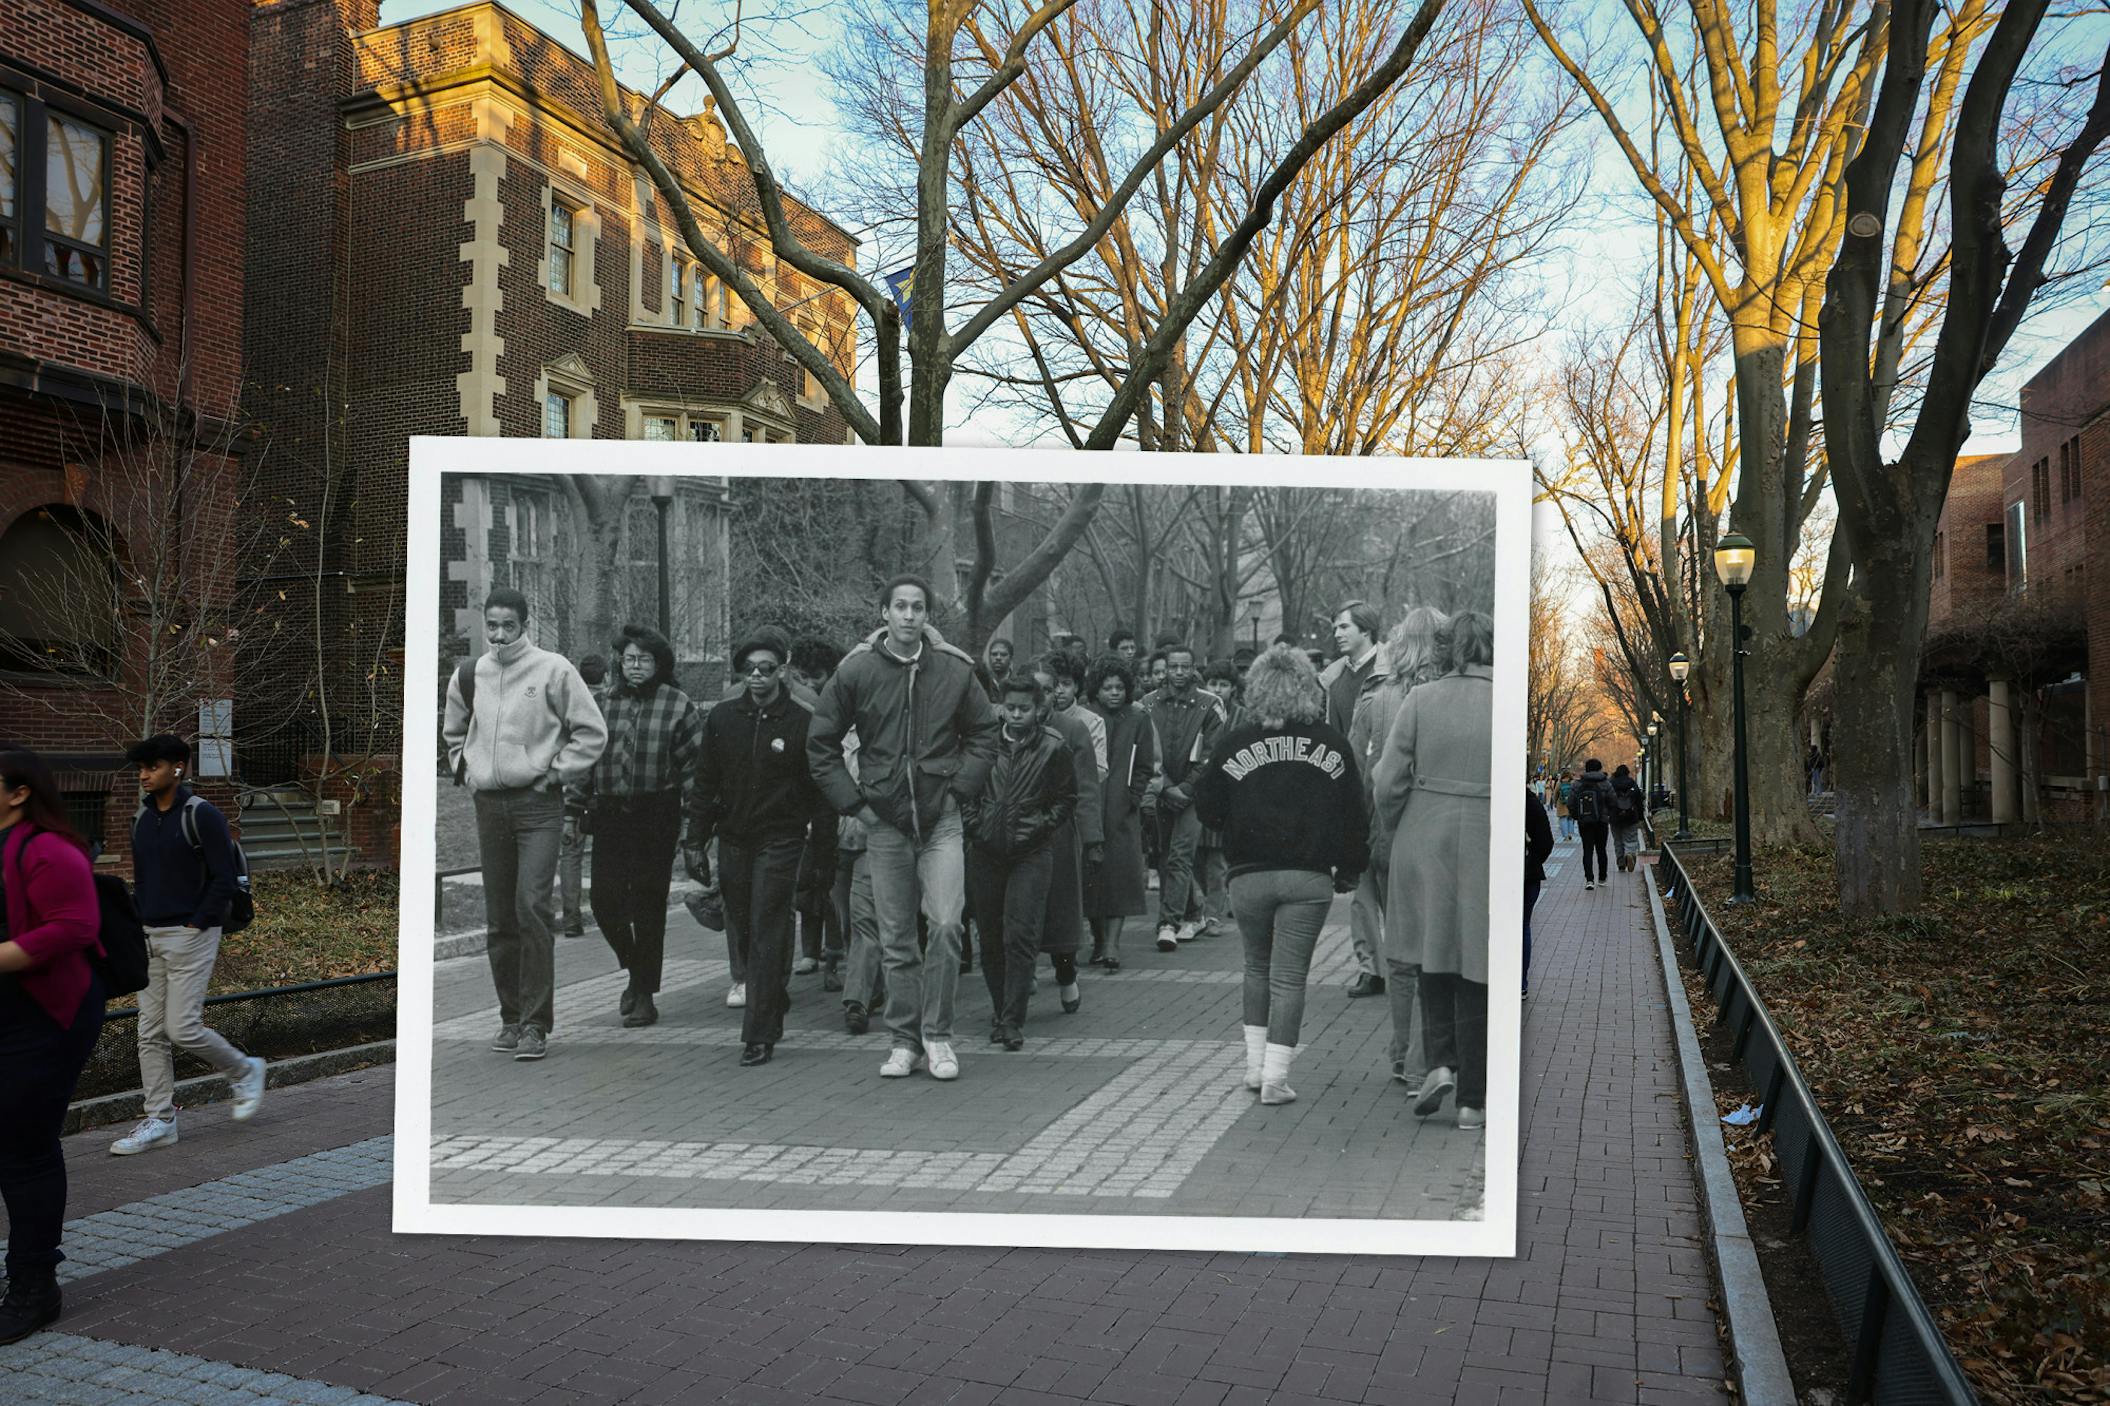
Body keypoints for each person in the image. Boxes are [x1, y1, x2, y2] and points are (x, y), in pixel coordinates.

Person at [808, 576, 998, 1082]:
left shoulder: (955, 670)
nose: (910, 615)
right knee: (895, 938)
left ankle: (938, 1037)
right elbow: (821, 742)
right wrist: (856, 806)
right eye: (900, 607)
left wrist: (959, 790)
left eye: (918, 607)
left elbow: (984, 732)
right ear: (885, 613)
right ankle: (903, 1041)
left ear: (927, 616)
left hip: (942, 820)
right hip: (885, 823)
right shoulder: (858, 671)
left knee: (946, 925)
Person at [1192, 645, 1367, 1105]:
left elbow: (1207, 806)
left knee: (1256, 968)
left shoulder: (1235, 742)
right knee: (1289, 978)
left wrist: (1236, 826)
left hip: (1248, 875)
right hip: (1307, 878)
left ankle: (1253, 1067)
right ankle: (1275, 1076)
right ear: (1308, 687)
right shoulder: (1330, 742)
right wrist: (1349, 868)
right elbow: (1355, 814)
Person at [443, 587, 608, 1063]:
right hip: (490, 805)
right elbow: (454, 732)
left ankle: (537, 1024)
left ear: (523, 624)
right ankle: (510, 1017)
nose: (497, 635)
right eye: (491, 625)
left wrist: (555, 772)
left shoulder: (553, 669)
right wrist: (467, 772)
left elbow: (591, 731)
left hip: (538, 805)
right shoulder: (470, 674)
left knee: (531, 905)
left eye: (507, 626)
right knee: (499, 916)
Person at [109, 734, 266, 1154]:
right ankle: (160, 1120)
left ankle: (245, 1069)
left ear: (178, 767)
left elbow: (223, 879)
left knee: (182, 1028)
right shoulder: (142, 817)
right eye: (140, 768)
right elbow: (143, 878)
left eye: (152, 767)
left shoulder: (203, 815)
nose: (144, 775)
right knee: (149, 1033)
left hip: (192, 935)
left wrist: (198, 922)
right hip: (150, 935)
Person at [1373, 610, 1495, 1131]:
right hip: (1487, 836)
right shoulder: (1508, 700)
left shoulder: (1421, 699)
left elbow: (1387, 780)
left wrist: (1401, 820)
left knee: (1431, 955)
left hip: (1426, 834)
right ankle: (1472, 1101)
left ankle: (1439, 1061)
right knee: (1479, 966)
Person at [0, 748, 106, 1343]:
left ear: (18, 793)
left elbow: (74, 926)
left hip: (46, 1017)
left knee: (24, 1147)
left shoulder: (49, 849)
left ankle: (35, 1286)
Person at [694, 629, 837, 1067]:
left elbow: (818, 791)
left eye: (767, 669)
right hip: (734, 837)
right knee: (742, 924)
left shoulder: (800, 719)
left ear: (782, 670)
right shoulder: (722, 718)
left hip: (781, 838)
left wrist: (822, 851)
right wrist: (694, 842)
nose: (757, 677)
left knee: (768, 922)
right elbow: (704, 784)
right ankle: (771, 994)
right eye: (749, 670)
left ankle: (759, 1032)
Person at [563, 625, 699, 1029]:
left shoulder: (678, 705)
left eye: (645, 659)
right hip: (610, 814)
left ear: (659, 664)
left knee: (648, 903)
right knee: (604, 901)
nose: (636, 666)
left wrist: (694, 828)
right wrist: (572, 811)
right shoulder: (600, 704)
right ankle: (634, 967)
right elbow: (581, 761)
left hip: (657, 813)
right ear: (620, 662)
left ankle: (643, 993)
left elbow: (695, 769)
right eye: (629, 659)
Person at [1351, 605, 1447, 1078]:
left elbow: (1359, 771)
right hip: (1443, 839)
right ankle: (1431, 1052)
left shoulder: (1376, 699)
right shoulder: (1455, 696)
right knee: (1439, 948)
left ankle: (1401, 1048)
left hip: (1388, 835)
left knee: (1401, 948)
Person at [966, 676, 1079, 1050]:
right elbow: (966, 788)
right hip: (986, 850)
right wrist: (976, 825)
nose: (1016, 715)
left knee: (1021, 934)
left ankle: (1013, 1020)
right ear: (1000, 706)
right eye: (1010, 708)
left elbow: (1066, 798)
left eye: (1024, 709)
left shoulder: (1053, 747)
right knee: (991, 935)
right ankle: (1001, 1012)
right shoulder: (983, 743)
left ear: (1038, 710)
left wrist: (1040, 827)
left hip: (1031, 852)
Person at [1028, 653, 1104, 1015]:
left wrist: (1093, 840)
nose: (1042, 697)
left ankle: (1066, 973)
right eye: (1034, 689)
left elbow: (1087, 787)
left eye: (1048, 689)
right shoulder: (1007, 727)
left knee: (1061, 910)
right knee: (1021, 908)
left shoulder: (1073, 730)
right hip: (1017, 833)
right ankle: (1022, 969)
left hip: (1059, 832)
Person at [1320, 600, 1390, 997]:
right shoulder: (1332, 680)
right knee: (1361, 891)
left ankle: (1400, 964)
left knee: (1392, 888)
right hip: (1350, 792)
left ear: (1366, 629)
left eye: (1344, 627)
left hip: (1385, 791)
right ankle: (1371, 968)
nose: (1337, 634)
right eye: (1335, 628)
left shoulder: (1391, 673)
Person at [1143, 642, 1228, 952]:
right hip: (1162, 789)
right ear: (1165, 669)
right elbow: (1147, 751)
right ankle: (1195, 912)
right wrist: (1164, 786)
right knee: (1165, 854)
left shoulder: (1210, 704)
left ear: (1194, 668)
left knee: (1181, 854)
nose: (1178, 673)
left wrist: (1187, 788)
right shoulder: (1148, 704)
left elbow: (1213, 753)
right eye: (1172, 667)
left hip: (1195, 795)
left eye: (1184, 666)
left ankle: (1167, 922)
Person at [1083, 654, 1155, 971]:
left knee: (1120, 877)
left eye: (1119, 687)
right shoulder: (1084, 717)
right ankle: (1098, 941)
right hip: (1089, 808)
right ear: (1095, 690)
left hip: (1122, 811)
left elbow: (1144, 765)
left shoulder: (1138, 719)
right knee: (1092, 878)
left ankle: (1112, 944)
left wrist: (1133, 795)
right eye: (1107, 687)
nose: (1114, 693)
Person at [788, 638, 848, 986]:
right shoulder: (800, 707)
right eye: (803, 676)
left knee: (831, 881)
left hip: (834, 801)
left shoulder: (838, 703)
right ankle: (810, 950)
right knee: (806, 879)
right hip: (807, 798)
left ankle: (834, 955)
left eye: (817, 675)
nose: (810, 683)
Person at [1192, 659, 1245, 936]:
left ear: (1233, 689)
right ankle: (1200, 909)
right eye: (1213, 683)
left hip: (1229, 793)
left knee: (1217, 860)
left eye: (1224, 685)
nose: (1218, 689)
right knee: (1196, 856)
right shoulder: (1199, 710)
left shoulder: (1242, 717)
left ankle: (1213, 913)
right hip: (1199, 789)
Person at [557, 653, 608, 938]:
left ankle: (571, 919)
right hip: (600, 791)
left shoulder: (569, 706)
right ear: (607, 676)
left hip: (571, 790)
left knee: (571, 856)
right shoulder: (608, 706)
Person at [1524, 785, 1554, 1001]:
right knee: (1522, 927)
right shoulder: (1531, 803)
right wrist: (1533, 861)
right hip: (1526, 875)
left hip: (1489, 874)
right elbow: (1545, 842)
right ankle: (1520, 983)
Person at [1571, 759, 1614, 890]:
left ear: (1587, 768)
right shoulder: (1606, 784)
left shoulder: (1578, 784)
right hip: (1601, 821)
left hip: (1585, 822)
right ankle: (1602, 877)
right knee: (1601, 850)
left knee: (1587, 850)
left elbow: (1571, 803)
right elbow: (1613, 801)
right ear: (1600, 768)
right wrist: (1607, 815)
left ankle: (1589, 879)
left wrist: (1577, 817)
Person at [1608, 762, 1645, 872]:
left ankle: (1621, 863)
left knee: (1618, 841)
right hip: (1631, 816)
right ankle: (1629, 854)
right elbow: (1639, 801)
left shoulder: (1611, 784)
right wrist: (1641, 816)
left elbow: (1607, 800)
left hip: (1615, 816)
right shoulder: (1632, 783)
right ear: (1627, 772)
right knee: (1631, 839)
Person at [984, 637, 1015, 702]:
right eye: (994, 654)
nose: (998, 658)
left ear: (1011, 658)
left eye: (1003, 655)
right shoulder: (982, 684)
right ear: (989, 657)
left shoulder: (1017, 684)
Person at [1556, 770, 1578, 842]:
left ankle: (1566, 837)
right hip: (1571, 804)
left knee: (1563, 819)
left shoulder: (1559, 783)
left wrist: (1555, 802)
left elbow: (1556, 793)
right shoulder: (1573, 783)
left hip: (1562, 804)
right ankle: (1569, 834)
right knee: (1570, 819)